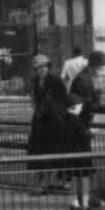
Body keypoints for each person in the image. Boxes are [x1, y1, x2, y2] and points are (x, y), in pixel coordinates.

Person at [64, 51, 105, 210]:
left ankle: (80, 200)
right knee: (83, 168)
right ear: (97, 65)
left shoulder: (85, 77)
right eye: (103, 67)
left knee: (79, 167)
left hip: (79, 127)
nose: (104, 70)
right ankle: (82, 201)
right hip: (80, 128)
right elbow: (88, 105)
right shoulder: (84, 80)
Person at [25, 55, 69, 195]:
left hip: (53, 122)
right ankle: (41, 183)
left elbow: (63, 101)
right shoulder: (35, 82)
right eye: (38, 68)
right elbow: (35, 101)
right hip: (40, 122)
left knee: (51, 152)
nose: (41, 70)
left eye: (43, 66)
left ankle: (48, 182)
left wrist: (56, 112)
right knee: (38, 153)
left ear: (48, 67)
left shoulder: (56, 81)